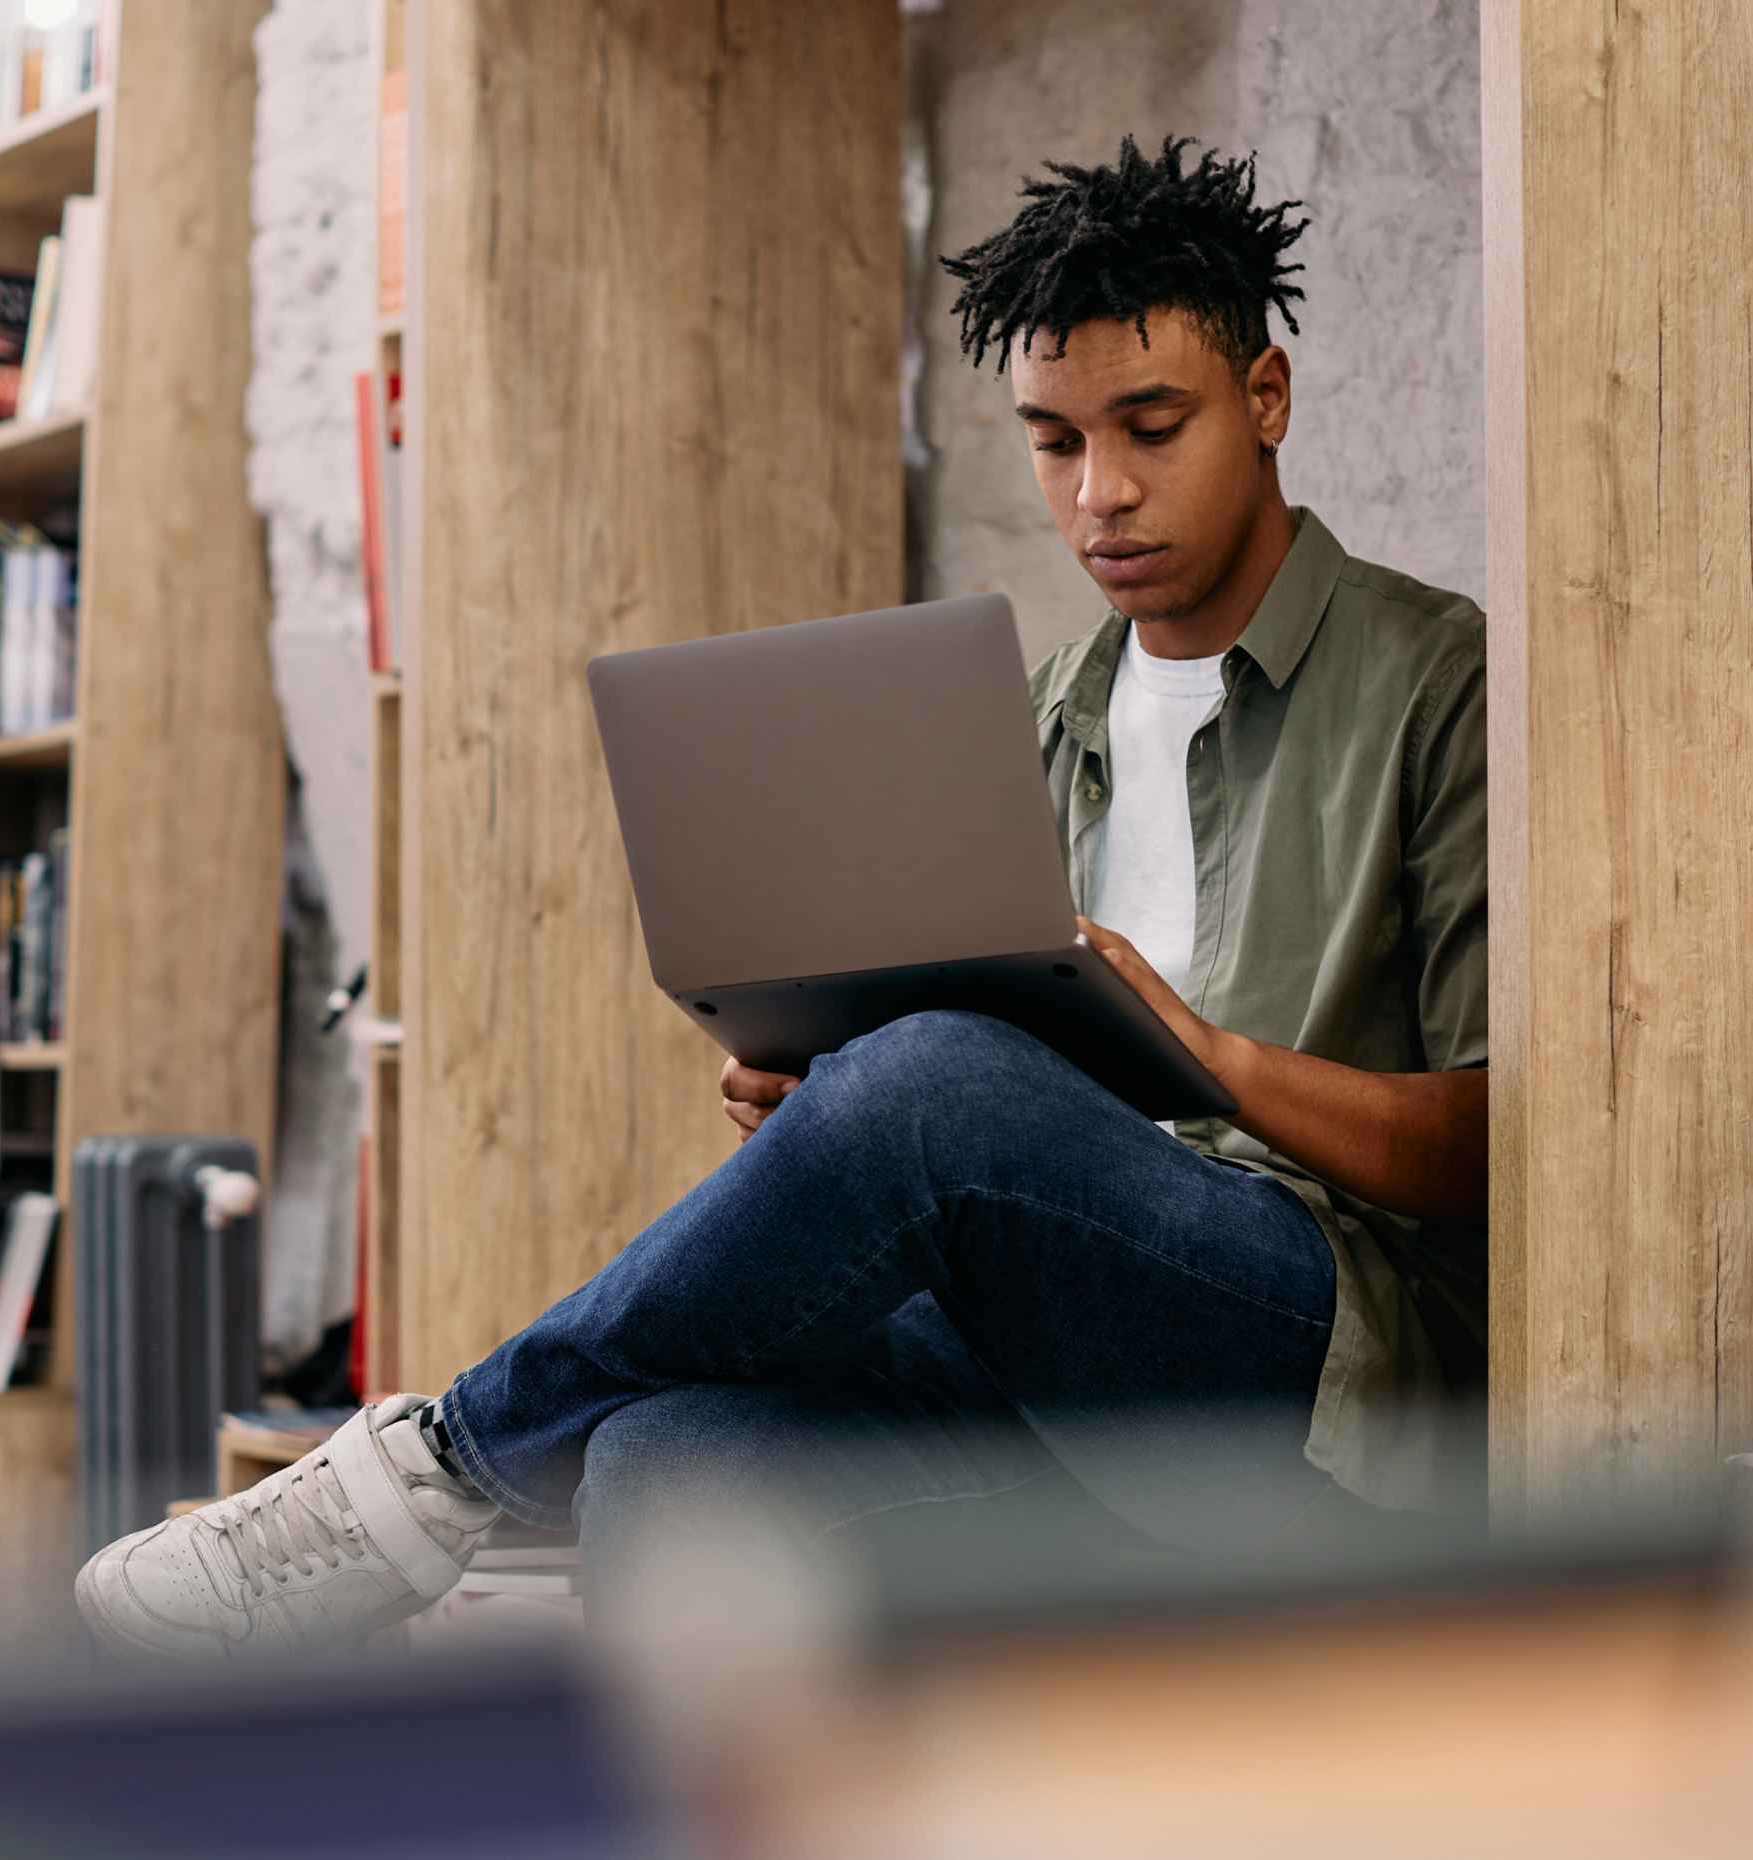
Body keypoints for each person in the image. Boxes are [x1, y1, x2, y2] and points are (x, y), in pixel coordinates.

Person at [76, 134, 1488, 1660]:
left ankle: (431, 1471)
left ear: (1264, 400)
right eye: (1052, 441)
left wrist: (1196, 1055)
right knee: (668, 1459)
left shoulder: (1432, 676)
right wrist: (826, 1112)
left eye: (1151, 426)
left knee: (936, 1085)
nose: (1102, 492)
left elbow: (1492, 1146)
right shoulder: (1033, 714)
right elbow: (976, 1117)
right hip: (1039, 1355)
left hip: (1310, 1348)